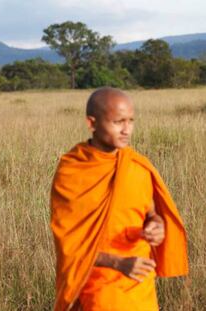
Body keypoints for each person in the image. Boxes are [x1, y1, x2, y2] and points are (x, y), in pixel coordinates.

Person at [50, 87, 188, 311]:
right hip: (97, 288)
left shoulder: (136, 164)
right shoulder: (73, 171)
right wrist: (118, 263)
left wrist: (156, 225)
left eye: (130, 121)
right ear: (91, 123)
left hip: (139, 286)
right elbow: (70, 245)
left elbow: (150, 213)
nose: (127, 130)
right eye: (118, 122)